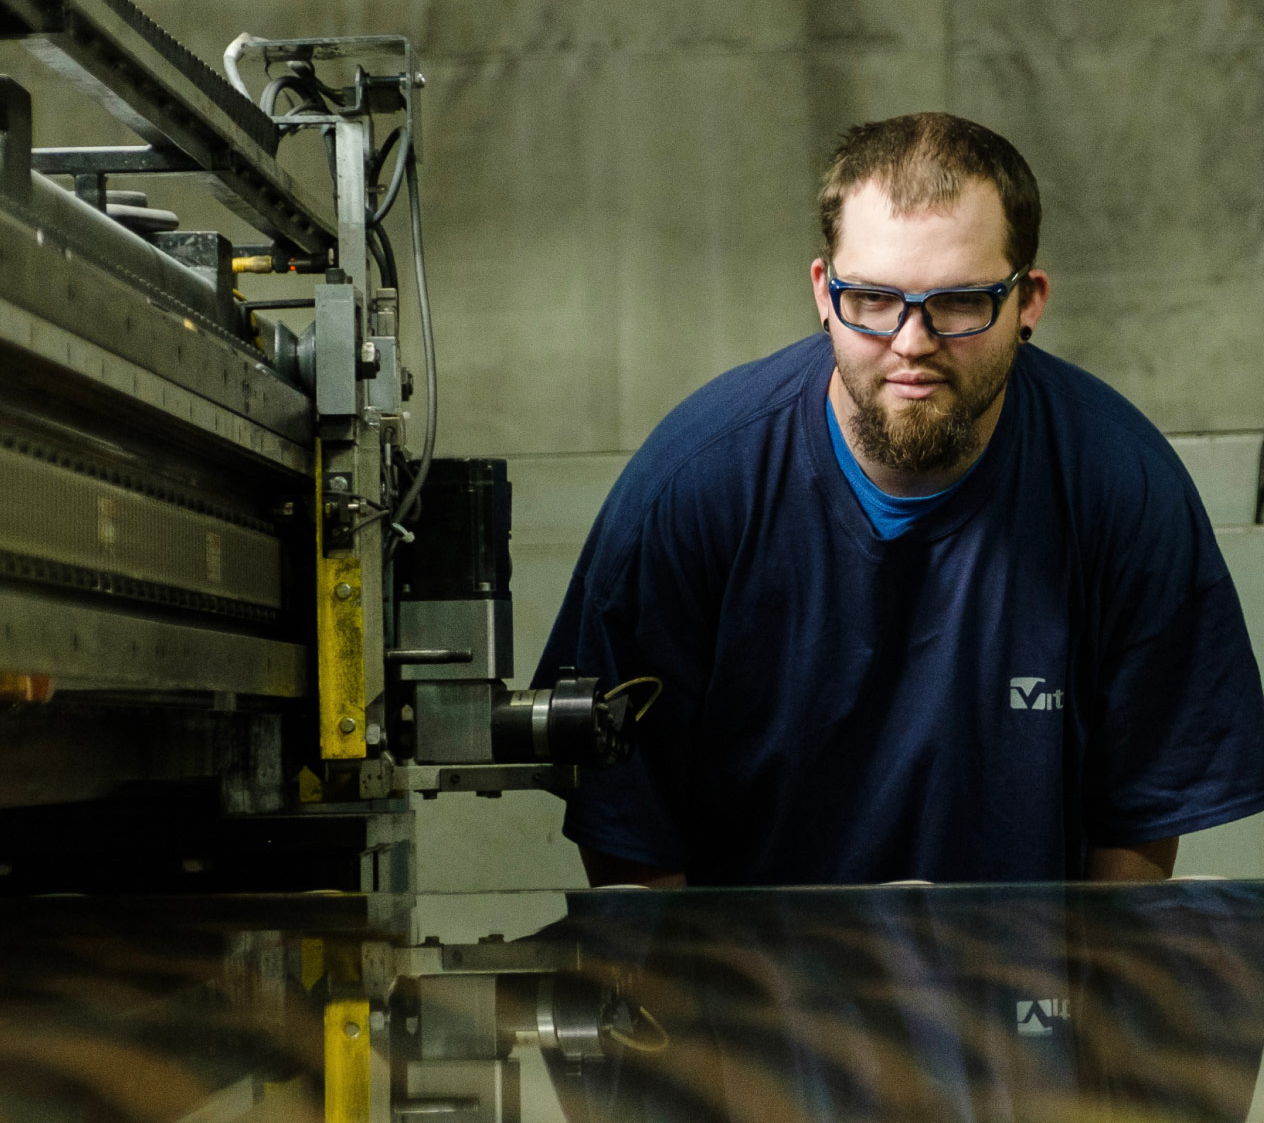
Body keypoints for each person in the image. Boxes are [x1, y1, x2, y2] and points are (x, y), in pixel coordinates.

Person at [536, 112, 1264, 887]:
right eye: (874, 298)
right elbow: (627, 832)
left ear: (1029, 302)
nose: (911, 342)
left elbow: (1138, 824)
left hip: (1021, 997)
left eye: (958, 302)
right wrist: (696, 1007)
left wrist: (1092, 1003)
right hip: (746, 996)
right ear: (824, 291)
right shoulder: (692, 490)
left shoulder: (1123, 487)